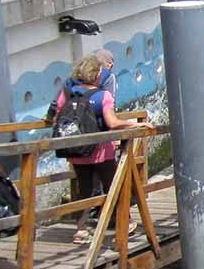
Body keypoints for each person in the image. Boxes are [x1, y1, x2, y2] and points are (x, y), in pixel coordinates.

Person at [54, 54, 141, 244]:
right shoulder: (103, 96)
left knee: (83, 191)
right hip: (101, 152)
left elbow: (57, 117)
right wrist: (134, 125)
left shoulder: (67, 94)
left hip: (77, 151)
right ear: (96, 75)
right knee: (113, 186)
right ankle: (125, 223)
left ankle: (81, 230)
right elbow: (112, 122)